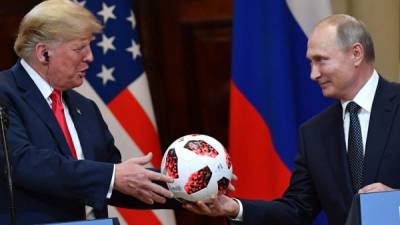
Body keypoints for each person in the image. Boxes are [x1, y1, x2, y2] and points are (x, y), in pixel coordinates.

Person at [183, 14, 400, 225]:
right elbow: (296, 210)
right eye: (310, 63)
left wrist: (396, 202)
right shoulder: (314, 133)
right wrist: (234, 208)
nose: (313, 74)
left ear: (356, 53)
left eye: (321, 60)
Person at [0, 0, 178, 224]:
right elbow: (23, 162)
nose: (90, 57)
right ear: (44, 53)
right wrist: (113, 176)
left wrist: (189, 192)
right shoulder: (4, 92)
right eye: (79, 48)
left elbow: (118, 182)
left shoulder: (85, 107)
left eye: (90, 46)